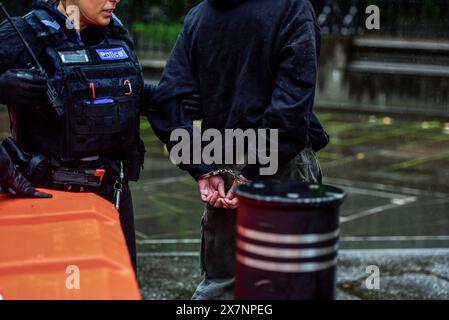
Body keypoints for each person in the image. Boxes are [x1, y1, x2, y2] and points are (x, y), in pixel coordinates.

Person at [0, 0, 199, 271]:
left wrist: (174, 103)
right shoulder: (24, 34)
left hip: (113, 193)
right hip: (49, 198)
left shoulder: (115, 33)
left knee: (118, 286)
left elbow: (131, 94)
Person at [148, 0, 329, 299]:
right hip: (282, 170)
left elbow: (167, 103)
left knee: (224, 285)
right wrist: (252, 175)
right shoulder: (291, 9)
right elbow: (290, 110)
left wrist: (201, 166)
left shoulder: (199, 16)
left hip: (224, 164)